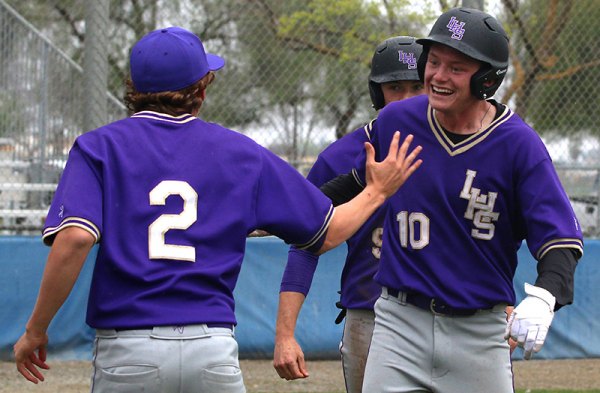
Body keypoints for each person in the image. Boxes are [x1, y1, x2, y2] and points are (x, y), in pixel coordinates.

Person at [12, 26, 423, 393]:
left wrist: (36, 330)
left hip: (128, 348)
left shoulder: (98, 147)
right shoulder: (239, 152)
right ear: (202, 89)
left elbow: (77, 237)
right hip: (210, 348)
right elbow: (327, 233)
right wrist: (376, 191)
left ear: (133, 87)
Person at [275, 8, 583, 393]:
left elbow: (560, 240)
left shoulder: (519, 146)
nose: (437, 75)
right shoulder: (399, 121)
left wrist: (546, 297)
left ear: (487, 78)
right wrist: (275, 210)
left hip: (478, 332)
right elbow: (354, 181)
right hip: (398, 323)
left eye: (456, 67)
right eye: (433, 61)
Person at [273, 36, 425, 393]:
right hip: (369, 312)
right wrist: (284, 334)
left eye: (417, 87)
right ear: (377, 94)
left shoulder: (457, 146)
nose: (406, 99)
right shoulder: (340, 157)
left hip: (448, 312)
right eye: (395, 88)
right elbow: (305, 245)